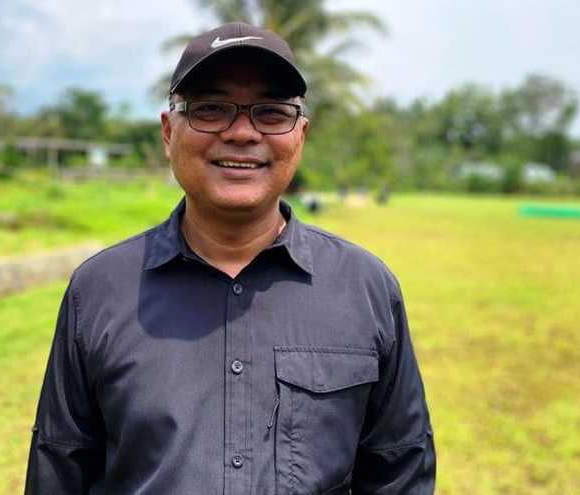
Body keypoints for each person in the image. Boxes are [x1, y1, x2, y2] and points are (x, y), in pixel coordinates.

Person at [24, 22, 435, 495]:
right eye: (211, 109)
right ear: (168, 132)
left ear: (300, 135)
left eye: (271, 112)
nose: (242, 133)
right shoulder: (99, 290)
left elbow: (399, 473)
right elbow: (59, 472)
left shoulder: (365, 288)